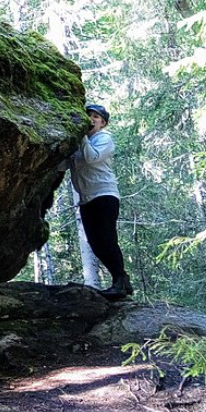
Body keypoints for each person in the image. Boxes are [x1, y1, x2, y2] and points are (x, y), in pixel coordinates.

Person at [68, 103, 131, 299]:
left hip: (104, 195)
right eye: (89, 116)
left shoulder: (104, 138)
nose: (92, 119)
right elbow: (63, 165)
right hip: (86, 200)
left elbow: (91, 157)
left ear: (103, 123)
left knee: (107, 239)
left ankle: (120, 280)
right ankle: (122, 281)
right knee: (96, 243)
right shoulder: (80, 143)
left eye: (96, 117)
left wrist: (82, 136)